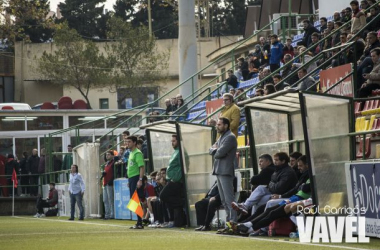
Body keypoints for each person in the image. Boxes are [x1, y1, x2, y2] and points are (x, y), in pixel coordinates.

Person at [209, 117, 238, 234]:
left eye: (220, 125)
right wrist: (215, 150)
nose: (217, 126)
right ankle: (228, 225)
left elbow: (219, 153)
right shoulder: (221, 137)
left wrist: (215, 150)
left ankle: (233, 225)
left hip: (226, 171)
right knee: (224, 200)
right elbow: (210, 149)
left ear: (226, 125)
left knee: (229, 200)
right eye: (217, 124)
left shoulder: (230, 137)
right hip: (219, 170)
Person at [159, 134, 184, 228]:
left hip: (176, 181)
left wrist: (176, 178)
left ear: (179, 141)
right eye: (171, 141)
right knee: (168, 199)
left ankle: (180, 203)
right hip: (171, 180)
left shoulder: (181, 152)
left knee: (163, 195)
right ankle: (172, 220)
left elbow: (184, 166)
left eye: (174, 141)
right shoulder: (175, 152)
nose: (172, 143)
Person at [126, 135, 145, 229]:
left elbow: (141, 167)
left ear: (134, 143)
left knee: (136, 200)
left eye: (129, 142)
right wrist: (129, 180)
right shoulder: (131, 153)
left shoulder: (137, 153)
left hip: (136, 178)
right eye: (127, 142)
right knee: (134, 200)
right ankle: (139, 221)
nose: (127, 143)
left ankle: (140, 222)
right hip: (132, 178)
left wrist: (140, 180)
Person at [102, 151, 115, 220]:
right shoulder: (106, 164)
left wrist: (111, 180)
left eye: (109, 154)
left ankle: (112, 214)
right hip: (105, 183)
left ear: (113, 155)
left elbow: (114, 173)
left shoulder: (113, 163)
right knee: (105, 200)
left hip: (110, 183)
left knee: (110, 199)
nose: (107, 156)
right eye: (106, 155)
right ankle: (107, 214)